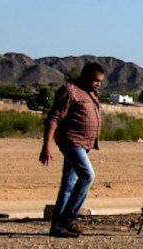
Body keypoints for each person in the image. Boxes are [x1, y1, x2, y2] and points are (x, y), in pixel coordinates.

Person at [40, 62, 104, 238]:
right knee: (87, 176)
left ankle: (57, 227)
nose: (98, 84)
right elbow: (54, 118)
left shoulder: (91, 93)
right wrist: (47, 145)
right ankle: (68, 218)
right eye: (95, 80)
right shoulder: (70, 91)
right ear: (85, 76)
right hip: (71, 142)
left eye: (100, 81)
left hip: (83, 145)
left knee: (68, 186)